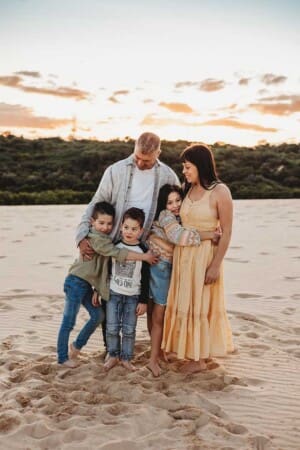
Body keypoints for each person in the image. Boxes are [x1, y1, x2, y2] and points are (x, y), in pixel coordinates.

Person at [161, 144, 234, 373]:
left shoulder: (220, 192)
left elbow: (227, 231)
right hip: (184, 256)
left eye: (188, 166)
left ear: (200, 166)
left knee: (201, 304)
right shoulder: (186, 189)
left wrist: (215, 265)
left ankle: (199, 359)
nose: (184, 171)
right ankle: (187, 350)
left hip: (205, 257)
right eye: (183, 167)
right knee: (185, 302)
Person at [57, 202, 157, 368]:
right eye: (101, 223)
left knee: (98, 316)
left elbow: (104, 270)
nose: (105, 227)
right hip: (75, 282)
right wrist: (145, 257)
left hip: (87, 285)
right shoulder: (97, 239)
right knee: (68, 321)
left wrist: (98, 289)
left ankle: (76, 346)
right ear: (92, 222)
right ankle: (62, 357)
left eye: (109, 224)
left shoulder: (106, 239)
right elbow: (118, 254)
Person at [146, 184, 221, 376]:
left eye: (178, 200)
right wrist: (209, 235)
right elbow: (178, 236)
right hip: (160, 268)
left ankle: (160, 353)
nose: (174, 205)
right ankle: (153, 360)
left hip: (169, 267)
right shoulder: (165, 216)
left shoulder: (179, 217)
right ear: (164, 204)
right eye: (170, 202)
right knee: (159, 315)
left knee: (160, 313)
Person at [104, 208, 150, 372]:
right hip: (113, 294)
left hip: (133, 297)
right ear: (121, 226)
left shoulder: (144, 251)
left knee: (129, 330)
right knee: (112, 327)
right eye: (126, 227)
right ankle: (113, 355)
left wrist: (143, 301)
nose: (129, 232)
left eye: (134, 229)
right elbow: (106, 270)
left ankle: (126, 358)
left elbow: (145, 279)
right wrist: (98, 290)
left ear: (141, 230)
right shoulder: (115, 247)